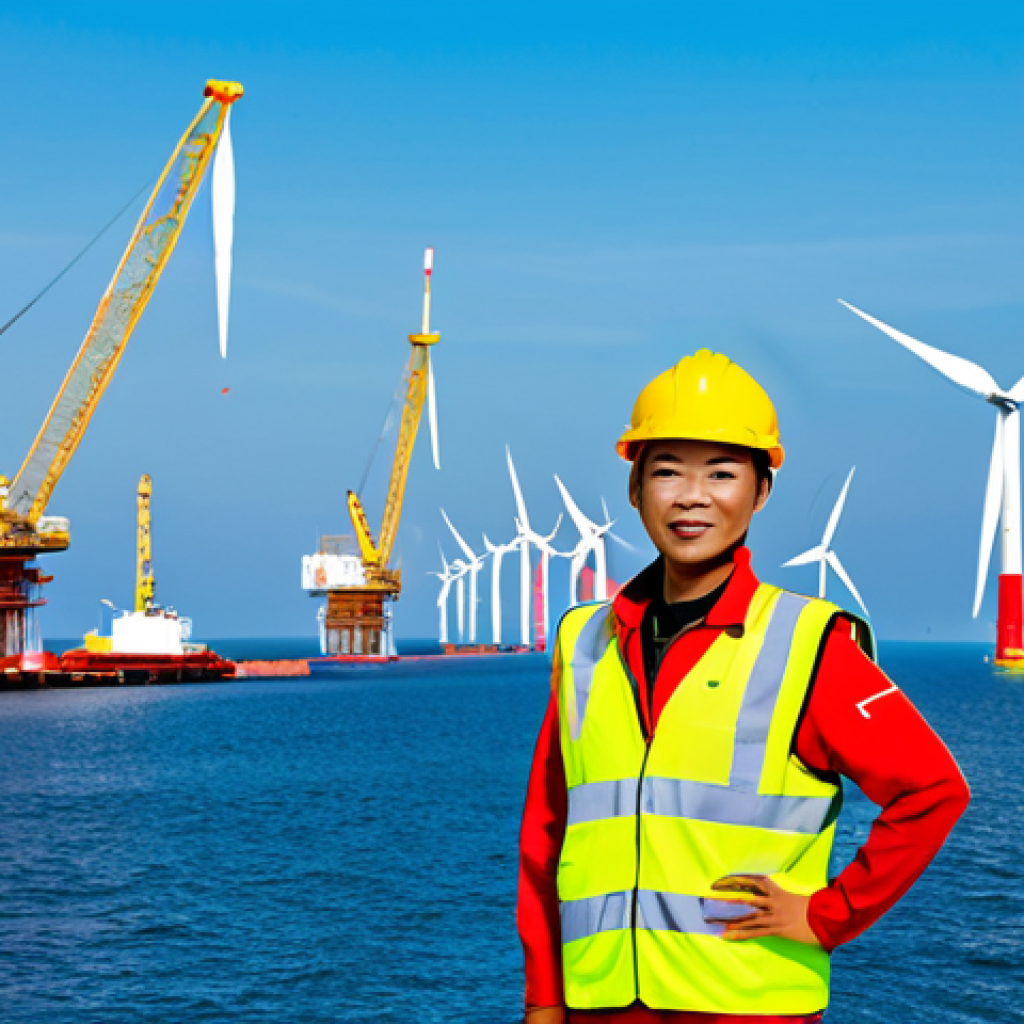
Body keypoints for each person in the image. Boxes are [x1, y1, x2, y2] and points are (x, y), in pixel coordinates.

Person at [518, 350, 970, 1023]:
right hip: (598, 1007)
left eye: (722, 473)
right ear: (634, 487)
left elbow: (933, 790)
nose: (692, 496)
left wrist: (828, 916)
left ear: (760, 490)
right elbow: (546, 833)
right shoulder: (584, 643)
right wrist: (543, 1000)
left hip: (747, 1007)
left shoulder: (809, 645)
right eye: (666, 471)